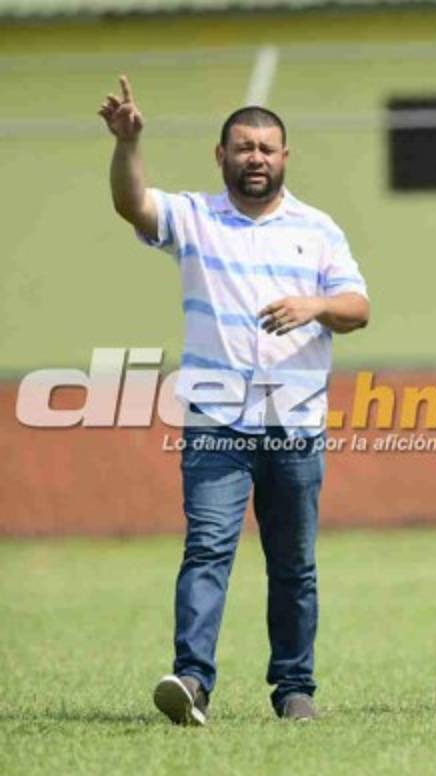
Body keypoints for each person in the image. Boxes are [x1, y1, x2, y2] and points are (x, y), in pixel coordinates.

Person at [99, 76, 370, 725]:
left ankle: (294, 689)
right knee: (207, 551)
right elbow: (134, 205)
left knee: (294, 565)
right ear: (220, 155)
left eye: (267, 148)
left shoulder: (318, 229)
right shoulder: (194, 218)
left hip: (294, 426)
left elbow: (359, 307)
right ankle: (192, 682)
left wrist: (315, 305)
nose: (256, 157)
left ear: (285, 157)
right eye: (244, 147)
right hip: (215, 423)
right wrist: (128, 145)